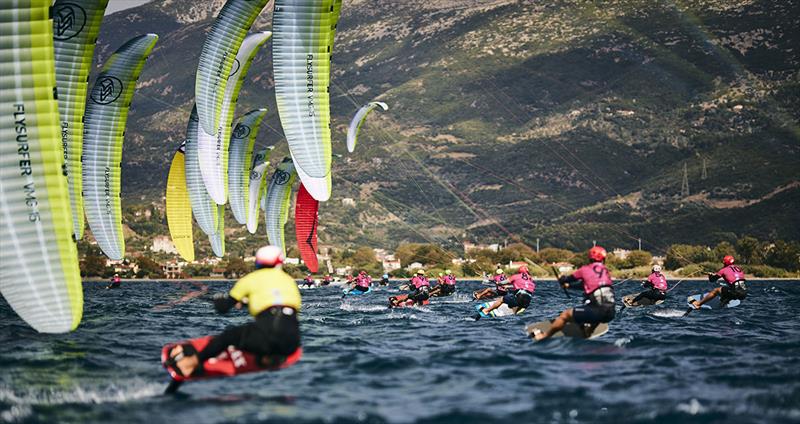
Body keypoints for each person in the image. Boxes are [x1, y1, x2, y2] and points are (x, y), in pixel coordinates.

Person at [167, 245, 301, 377]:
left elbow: (223, 308)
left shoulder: (251, 279)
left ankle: (190, 364)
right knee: (269, 334)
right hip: (291, 341)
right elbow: (276, 305)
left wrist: (220, 302)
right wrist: (244, 303)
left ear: (258, 263)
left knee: (228, 336)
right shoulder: (289, 281)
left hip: (266, 334)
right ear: (279, 263)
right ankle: (270, 357)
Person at [533, 246, 615, 341]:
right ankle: (588, 331)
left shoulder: (585, 269)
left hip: (598, 311)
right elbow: (586, 285)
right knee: (590, 306)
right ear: (603, 259)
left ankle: (544, 336)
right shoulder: (605, 271)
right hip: (611, 313)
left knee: (565, 315)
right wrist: (568, 286)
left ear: (590, 258)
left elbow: (568, 279)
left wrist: (562, 280)